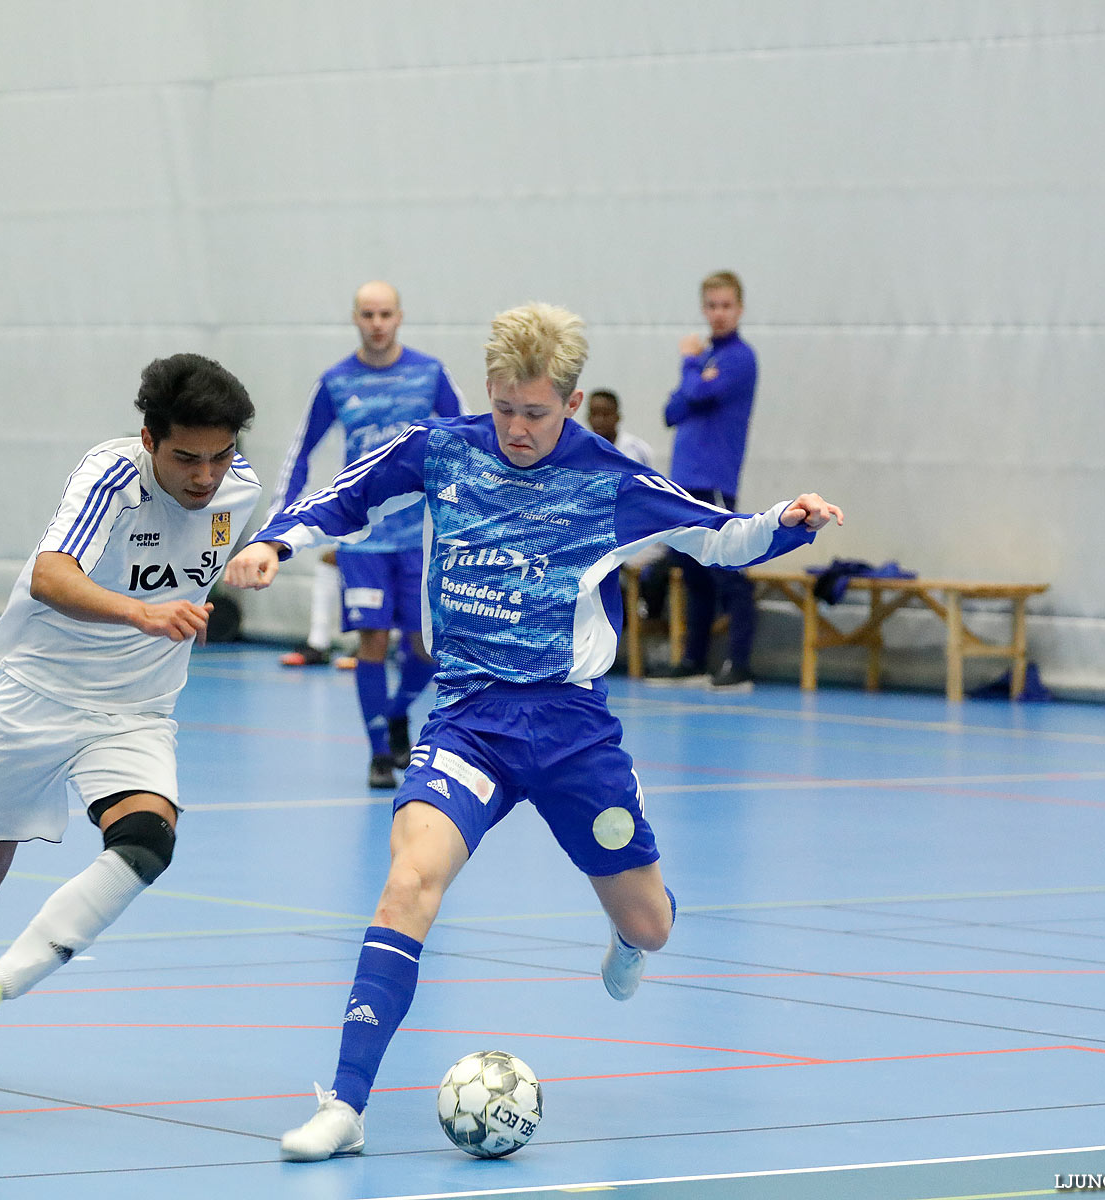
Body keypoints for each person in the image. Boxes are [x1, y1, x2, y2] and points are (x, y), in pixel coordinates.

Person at [225, 302, 842, 1159]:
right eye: (505, 408)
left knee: (654, 923)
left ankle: (630, 933)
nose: (517, 429)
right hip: (468, 720)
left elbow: (718, 536)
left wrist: (788, 520)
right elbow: (346, 496)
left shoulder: (609, 479)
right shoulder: (442, 448)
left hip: (568, 729)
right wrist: (279, 543)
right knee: (408, 882)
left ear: (573, 402)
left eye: (537, 413)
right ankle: (346, 1104)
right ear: (488, 392)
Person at [0, 353, 261, 1085]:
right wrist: (143, 612)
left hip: (136, 711)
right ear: (148, 441)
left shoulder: (242, 492)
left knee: (147, 842)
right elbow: (51, 575)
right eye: (186, 458)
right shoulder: (110, 476)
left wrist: (264, 554)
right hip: (39, 694)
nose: (204, 477)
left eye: (219, 456)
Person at [266, 280, 465, 788]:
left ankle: (399, 711)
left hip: (421, 535)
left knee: (425, 648)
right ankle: (379, 753)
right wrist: (279, 529)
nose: (377, 324)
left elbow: (470, 439)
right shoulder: (335, 381)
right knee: (372, 641)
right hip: (362, 539)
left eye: (385, 314)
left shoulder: (429, 373)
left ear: (400, 317)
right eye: (367, 315)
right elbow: (300, 453)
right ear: (355, 319)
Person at [650, 270, 762, 689]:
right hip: (684, 478)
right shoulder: (708, 361)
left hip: (714, 478)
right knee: (691, 569)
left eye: (726, 306)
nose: (718, 314)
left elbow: (693, 396)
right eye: (712, 306)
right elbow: (672, 411)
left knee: (727, 566)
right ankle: (695, 659)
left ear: (740, 309)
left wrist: (690, 365)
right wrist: (696, 375)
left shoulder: (737, 358)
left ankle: (739, 661)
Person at [584, 388, 656, 468]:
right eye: (594, 414)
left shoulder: (637, 450)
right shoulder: (580, 451)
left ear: (617, 417)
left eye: (606, 414)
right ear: (588, 417)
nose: (599, 420)